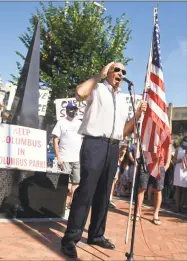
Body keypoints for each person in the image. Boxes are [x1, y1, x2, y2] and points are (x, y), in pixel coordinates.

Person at [60, 61, 147, 258]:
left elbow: (124, 132)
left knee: (104, 194)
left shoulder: (125, 99)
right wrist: (98, 76)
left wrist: (138, 115)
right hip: (94, 144)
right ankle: (71, 238)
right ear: (108, 71)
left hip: (114, 146)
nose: (121, 73)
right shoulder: (97, 88)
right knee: (86, 192)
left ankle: (96, 234)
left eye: (124, 71)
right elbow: (80, 92)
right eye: (117, 69)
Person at [52, 102, 83, 209]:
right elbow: (55, 140)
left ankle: (72, 203)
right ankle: (62, 203)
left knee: (76, 182)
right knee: (65, 183)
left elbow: (83, 139)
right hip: (64, 157)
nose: (73, 111)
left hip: (77, 158)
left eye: (75, 109)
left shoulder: (79, 123)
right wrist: (58, 155)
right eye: (71, 109)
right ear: (66, 110)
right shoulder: (61, 122)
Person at [135, 144, 171, 225]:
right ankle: (137, 213)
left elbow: (168, 145)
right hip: (146, 161)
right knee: (142, 188)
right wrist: (137, 158)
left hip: (159, 164)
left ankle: (156, 215)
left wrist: (167, 164)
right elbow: (141, 144)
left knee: (158, 190)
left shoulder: (164, 131)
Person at [173, 136, 187, 212]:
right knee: (178, 189)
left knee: (184, 190)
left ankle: (182, 205)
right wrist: (176, 161)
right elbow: (173, 160)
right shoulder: (178, 149)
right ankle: (177, 206)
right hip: (178, 170)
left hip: (186, 172)